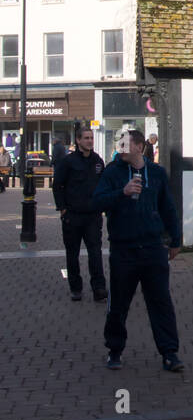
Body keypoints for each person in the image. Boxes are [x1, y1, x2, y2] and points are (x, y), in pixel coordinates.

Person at [92, 127, 184, 372]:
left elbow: (168, 207)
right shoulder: (112, 173)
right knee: (119, 302)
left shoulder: (156, 173)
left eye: (126, 144)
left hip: (153, 247)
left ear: (140, 147)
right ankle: (114, 349)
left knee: (161, 301)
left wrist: (175, 239)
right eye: (119, 144)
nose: (121, 148)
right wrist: (121, 193)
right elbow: (97, 201)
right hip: (124, 248)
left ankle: (169, 353)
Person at [52, 127, 107, 302]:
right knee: (72, 254)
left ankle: (99, 287)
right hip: (72, 216)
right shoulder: (68, 162)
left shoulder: (98, 161)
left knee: (95, 253)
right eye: (86, 138)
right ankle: (76, 288)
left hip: (92, 216)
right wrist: (63, 209)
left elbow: (103, 184)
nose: (90, 141)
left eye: (91, 138)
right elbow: (57, 186)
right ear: (78, 140)